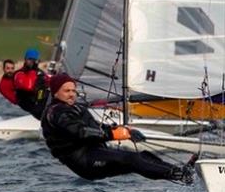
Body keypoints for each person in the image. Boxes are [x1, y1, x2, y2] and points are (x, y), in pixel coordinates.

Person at [41, 73, 193, 184]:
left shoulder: (76, 108)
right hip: (84, 161)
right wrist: (113, 134)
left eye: (74, 91)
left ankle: (180, 173)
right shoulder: (55, 112)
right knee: (131, 158)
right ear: (55, 92)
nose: (72, 95)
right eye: (67, 91)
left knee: (142, 157)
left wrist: (125, 131)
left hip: (95, 153)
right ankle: (178, 174)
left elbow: (96, 127)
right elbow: (81, 132)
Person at [13, 47, 49, 119]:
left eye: (34, 60)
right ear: (25, 59)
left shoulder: (41, 73)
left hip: (39, 101)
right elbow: (28, 86)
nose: (32, 62)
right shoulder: (19, 73)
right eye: (30, 59)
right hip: (27, 102)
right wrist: (33, 71)